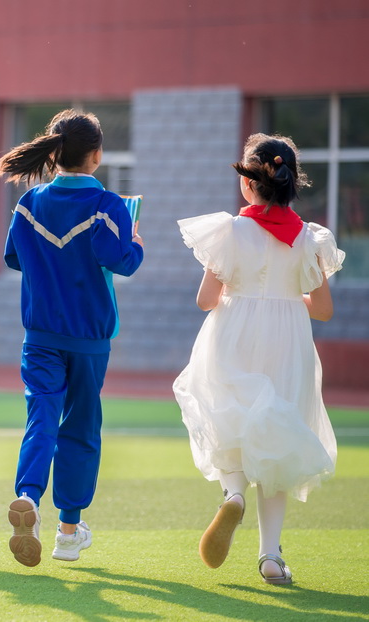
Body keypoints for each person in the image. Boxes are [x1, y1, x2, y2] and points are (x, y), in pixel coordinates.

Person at [173, 134, 344, 585]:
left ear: (250, 185)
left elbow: (205, 299)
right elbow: (324, 310)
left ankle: (233, 493)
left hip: (234, 330)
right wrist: (290, 297)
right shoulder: (310, 238)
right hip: (287, 337)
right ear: (292, 184)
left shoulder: (229, 230)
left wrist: (237, 289)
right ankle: (270, 555)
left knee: (226, 415)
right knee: (279, 437)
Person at [0, 109, 144, 567]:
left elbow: (14, 259)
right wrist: (134, 240)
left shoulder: (29, 203)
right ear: (96, 155)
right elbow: (123, 261)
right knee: (80, 428)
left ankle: (28, 497)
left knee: (41, 415)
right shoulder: (109, 206)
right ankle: (68, 532)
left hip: (39, 335)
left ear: (54, 153)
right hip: (88, 339)